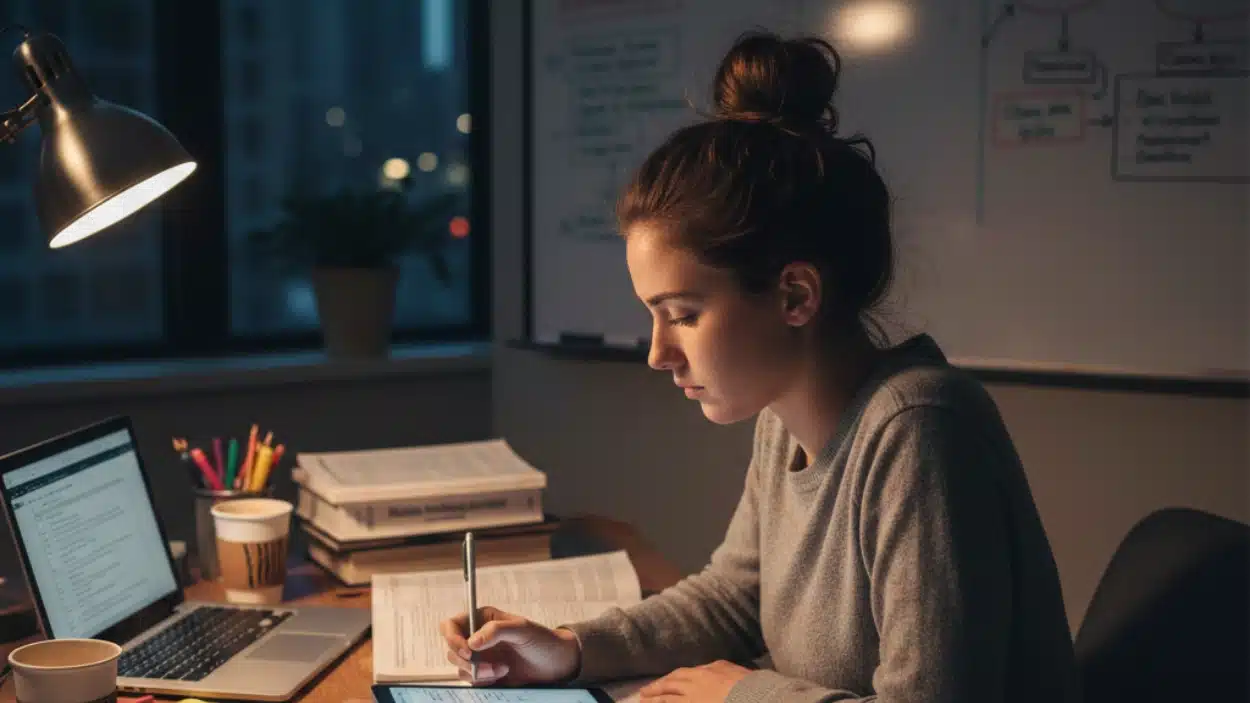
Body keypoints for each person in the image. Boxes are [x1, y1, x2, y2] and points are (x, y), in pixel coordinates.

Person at [440, 30, 1080, 703]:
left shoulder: (919, 431)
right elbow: (734, 598)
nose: (658, 352)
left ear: (795, 295)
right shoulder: (785, 420)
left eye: (682, 313)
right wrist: (571, 649)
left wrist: (742, 695)